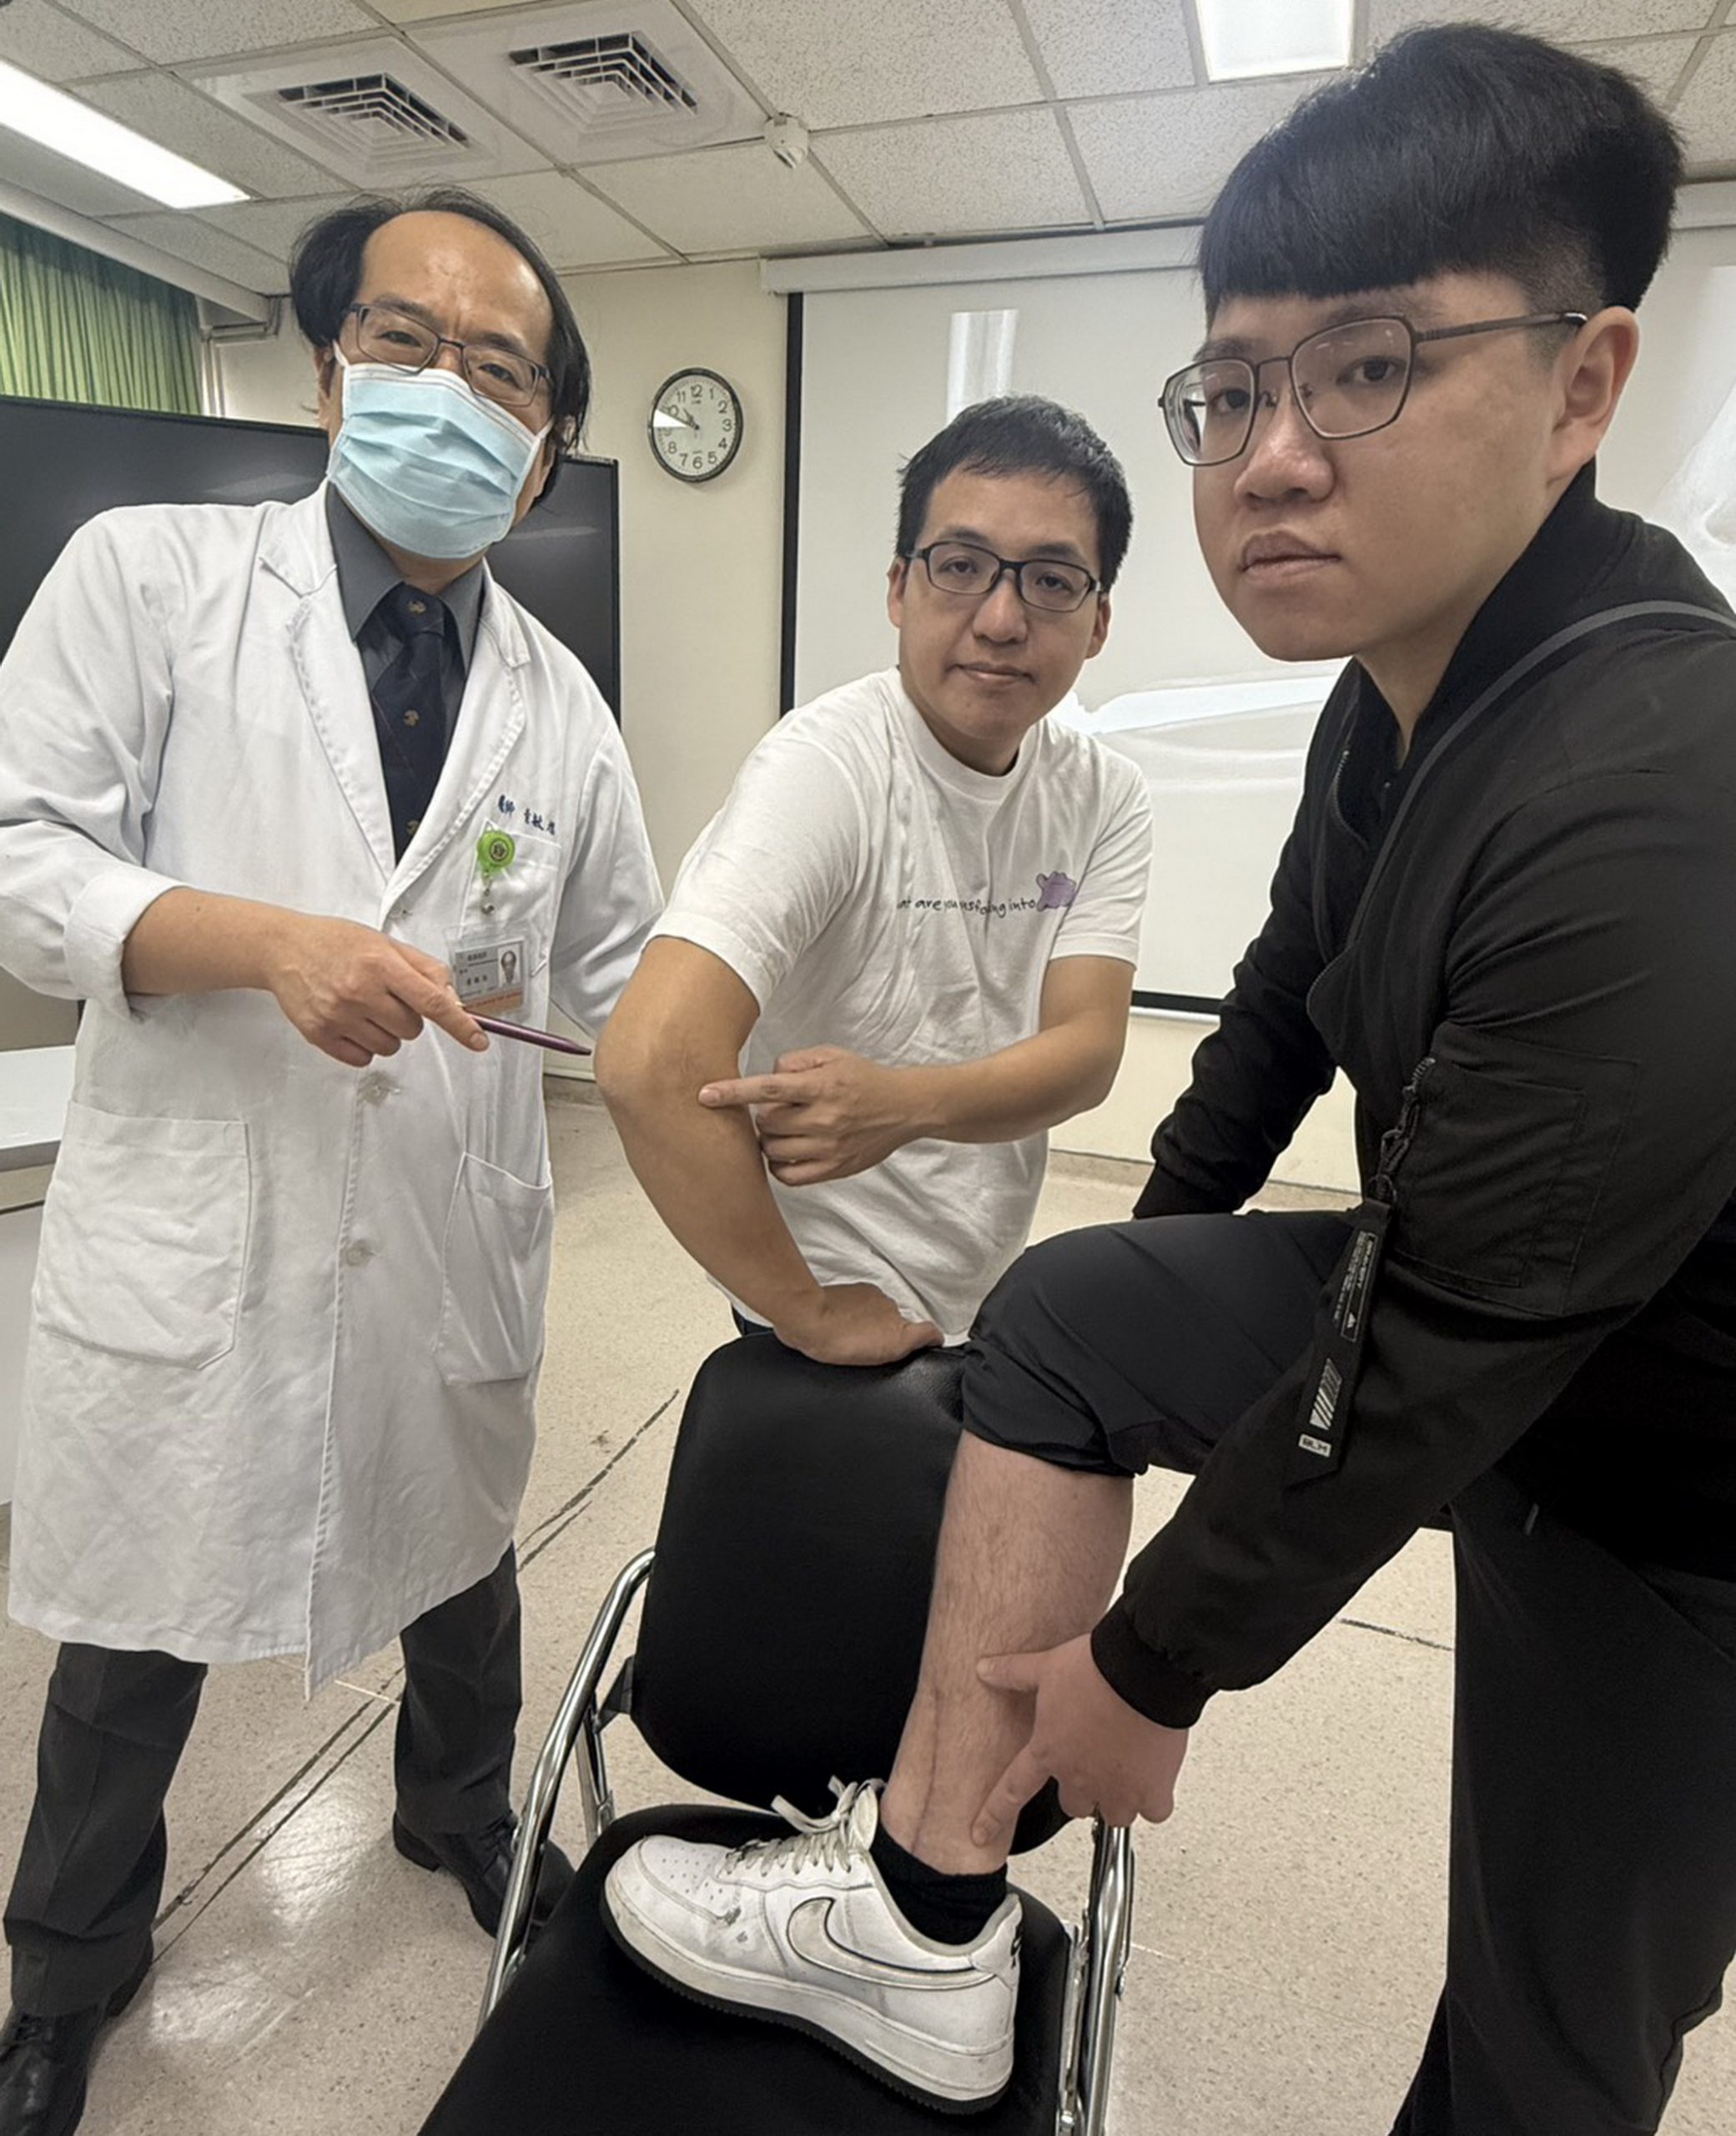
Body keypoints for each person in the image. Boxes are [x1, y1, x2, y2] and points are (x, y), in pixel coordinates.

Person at [601, 28, 1736, 2131]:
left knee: (1552, 2034)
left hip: (1678, 1472)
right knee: (1069, 1313)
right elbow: (1278, 1009)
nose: (1274, 457)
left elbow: (1445, 1339)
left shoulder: (1649, 786)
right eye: (1231, 390)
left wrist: (1149, 1663)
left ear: (1582, 387)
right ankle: (926, 1920)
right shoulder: (1385, 702)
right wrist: (1107, 1328)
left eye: (1368, 366)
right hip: (1489, 1321)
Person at [0, 188, 660, 2135]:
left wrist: (745, 1072)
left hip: (444, 1226)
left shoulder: (560, 703)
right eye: (406, 342)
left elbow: (619, 975)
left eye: (500, 370)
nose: (448, 391)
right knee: (137, 1613)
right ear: (327, 369)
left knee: (460, 1553)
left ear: (541, 438)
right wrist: (258, 940)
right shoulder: (152, 580)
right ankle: (68, 1964)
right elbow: (19, 851)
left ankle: (458, 1811)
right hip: (204, 1225)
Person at [596, 396, 1152, 1368]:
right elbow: (650, 1060)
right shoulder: (826, 770)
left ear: (1097, 619)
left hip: (983, 1275)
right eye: (961, 566)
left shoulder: (1103, 793)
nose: (1000, 619)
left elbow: (1086, 1052)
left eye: (1050, 580)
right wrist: (804, 1308)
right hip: (821, 1296)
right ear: (899, 587)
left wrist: (902, 1103)